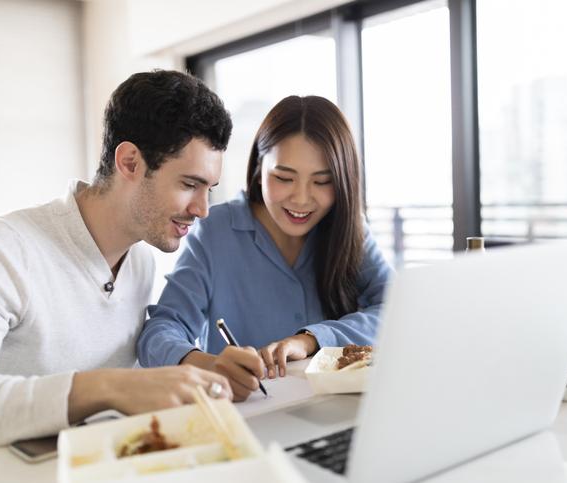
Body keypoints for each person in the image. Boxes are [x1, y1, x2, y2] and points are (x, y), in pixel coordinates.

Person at [0, 70, 234, 453]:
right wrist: (106, 387)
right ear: (130, 162)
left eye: (209, 189)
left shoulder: (140, 264)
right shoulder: (3, 251)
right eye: (188, 185)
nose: (202, 210)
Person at [137, 95, 392, 401]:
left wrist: (311, 340)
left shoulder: (350, 229)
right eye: (284, 178)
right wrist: (207, 364)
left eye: (322, 182)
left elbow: (397, 309)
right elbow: (160, 330)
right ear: (259, 168)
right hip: (250, 416)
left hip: (339, 411)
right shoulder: (215, 232)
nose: (300, 199)